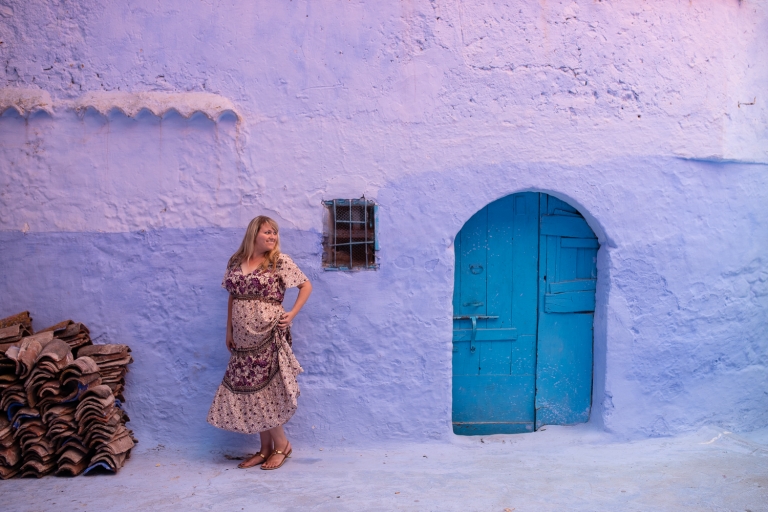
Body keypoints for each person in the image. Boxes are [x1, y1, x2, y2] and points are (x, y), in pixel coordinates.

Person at [207, 216, 312, 470]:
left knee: (264, 390)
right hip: (242, 340)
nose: (272, 237)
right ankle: (265, 450)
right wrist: (229, 331)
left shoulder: (278, 261)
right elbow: (233, 297)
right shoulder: (235, 262)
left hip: (268, 334)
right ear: (254, 233)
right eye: (267, 232)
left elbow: (305, 285)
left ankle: (282, 446)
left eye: (275, 233)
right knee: (252, 391)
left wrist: (292, 313)